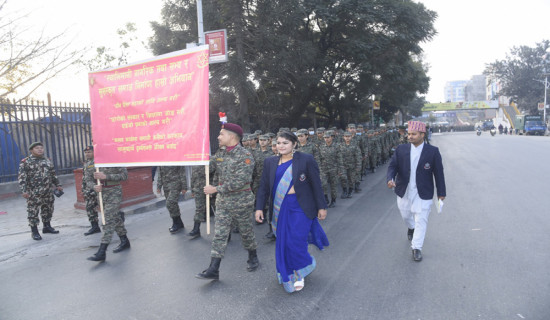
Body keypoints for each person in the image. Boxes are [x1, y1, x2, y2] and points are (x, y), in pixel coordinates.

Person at [254, 130, 329, 293]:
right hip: (280, 208)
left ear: (294, 144)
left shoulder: (305, 159)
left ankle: (300, 271)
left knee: (296, 241)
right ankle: (288, 272)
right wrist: (259, 207)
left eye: (285, 143)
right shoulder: (270, 162)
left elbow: (316, 184)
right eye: (278, 143)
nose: (281, 146)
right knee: (284, 242)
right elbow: (263, 188)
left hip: (301, 207)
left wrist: (321, 207)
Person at [196, 123, 259, 281]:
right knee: (220, 235)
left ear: (232, 136)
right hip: (223, 203)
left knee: (246, 233)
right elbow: (210, 166)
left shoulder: (245, 156)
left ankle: (253, 256)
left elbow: (241, 181)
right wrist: (201, 159)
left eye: (221, 134)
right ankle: (213, 268)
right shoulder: (220, 153)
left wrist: (216, 189)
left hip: (241, 202)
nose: (218, 137)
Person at [387, 121, 446, 262]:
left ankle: (417, 247)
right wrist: (390, 178)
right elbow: (392, 166)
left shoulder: (432, 152)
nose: (410, 136)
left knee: (421, 218)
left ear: (422, 134)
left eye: (414, 134)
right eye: (409, 134)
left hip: (423, 191)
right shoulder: (401, 149)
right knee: (406, 215)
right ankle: (410, 227)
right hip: (404, 190)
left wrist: (441, 192)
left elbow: (439, 173)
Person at [18, 142, 63, 240]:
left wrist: (58, 185)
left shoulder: (47, 160)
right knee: (33, 211)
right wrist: (24, 190)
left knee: (48, 208)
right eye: (37, 148)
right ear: (31, 150)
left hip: (47, 190)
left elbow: (53, 174)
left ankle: (47, 226)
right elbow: (22, 178)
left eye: (41, 148)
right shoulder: (26, 162)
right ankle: (34, 231)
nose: (40, 150)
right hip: (33, 192)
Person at [87, 167, 129, 262]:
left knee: (108, 220)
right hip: (101, 194)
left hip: (114, 191)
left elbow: (125, 176)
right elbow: (88, 179)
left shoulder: (114, 159)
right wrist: (94, 186)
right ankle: (125, 240)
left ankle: (102, 251)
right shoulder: (94, 162)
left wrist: (106, 176)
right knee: (115, 217)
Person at [156, 166, 187, 234]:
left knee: (170, 203)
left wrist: (184, 186)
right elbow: (160, 174)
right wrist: (159, 186)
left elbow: (182, 173)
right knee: (173, 205)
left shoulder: (176, 158)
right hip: (166, 185)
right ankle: (179, 222)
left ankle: (175, 223)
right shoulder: (161, 159)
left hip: (176, 184)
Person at [81, 146, 101, 236]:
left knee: (106, 207)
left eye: (89, 152)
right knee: (90, 208)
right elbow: (85, 178)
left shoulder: (98, 161)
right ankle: (95, 226)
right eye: (86, 152)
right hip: (88, 190)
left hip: (97, 189)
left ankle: (118, 219)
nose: (87, 154)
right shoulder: (87, 163)